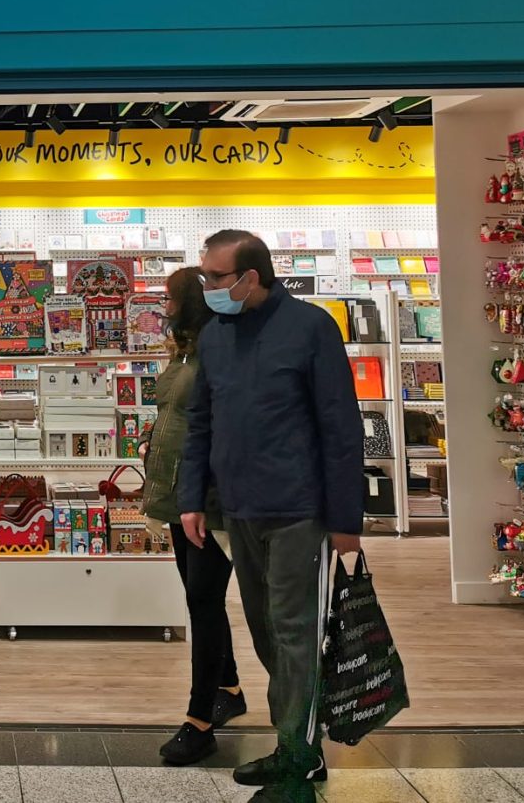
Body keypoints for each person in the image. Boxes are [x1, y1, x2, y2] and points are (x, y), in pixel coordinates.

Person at [177, 230, 364, 803]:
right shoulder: (216, 337)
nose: (205, 286)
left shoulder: (310, 328)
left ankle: (301, 760)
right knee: (264, 631)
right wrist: (190, 497)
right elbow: (200, 422)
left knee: (294, 633)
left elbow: (340, 427)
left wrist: (345, 519)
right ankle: (292, 745)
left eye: (214, 276)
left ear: (250, 277)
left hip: (298, 511)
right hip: (239, 511)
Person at [141, 265, 246, 766]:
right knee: (197, 595)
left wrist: (201, 495)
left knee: (203, 601)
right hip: (179, 497)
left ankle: (199, 720)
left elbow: (217, 426)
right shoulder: (185, 349)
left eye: (169, 297)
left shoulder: (217, 351)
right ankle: (228, 685)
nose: (163, 306)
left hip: (205, 500)